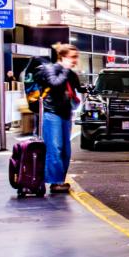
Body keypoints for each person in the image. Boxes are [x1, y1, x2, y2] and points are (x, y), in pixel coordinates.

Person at [40, 44, 82, 193]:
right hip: (52, 113)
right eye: (72, 57)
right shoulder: (51, 69)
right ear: (63, 57)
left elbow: (78, 88)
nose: (75, 60)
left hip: (65, 113)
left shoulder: (71, 73)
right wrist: (65, 69)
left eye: (76, 57)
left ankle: (60, 179)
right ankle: (55, 181)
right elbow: (55, 84)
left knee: (66, 150)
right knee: (55, 147)